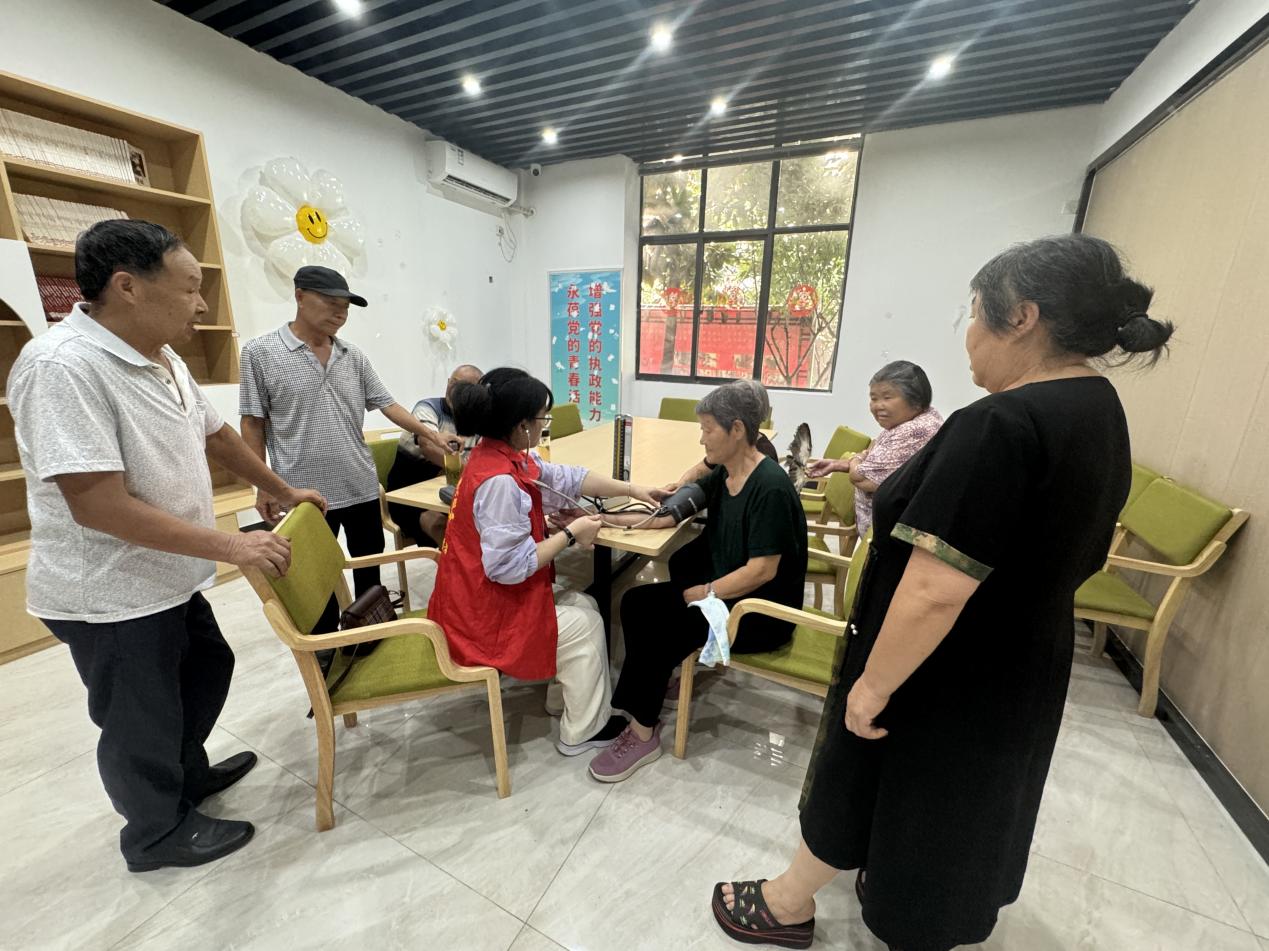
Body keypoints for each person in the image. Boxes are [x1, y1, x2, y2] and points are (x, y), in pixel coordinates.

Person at [710, 234, 1173, 950]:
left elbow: (933, 591)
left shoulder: (998, 425)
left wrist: (872, 684)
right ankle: (882, 896)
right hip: (1023, 653)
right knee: (960, 806)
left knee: (889, 782)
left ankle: (790, 902)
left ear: (1021, 316)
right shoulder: (1096, 406)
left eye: (974, 313)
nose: (968, 335)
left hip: (943, 661)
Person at [6, 220, 327, 872]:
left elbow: (217, 436)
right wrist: (231, 547)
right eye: (188, 289)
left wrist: (280, 487)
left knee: (206, 670)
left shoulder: (163, 356)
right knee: (139, 717)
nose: (201, 304)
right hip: (110, 590)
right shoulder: (62, 367)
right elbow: (98, 505)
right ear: (128, 286)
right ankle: (155, 833)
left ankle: (186, 773)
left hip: (167, 575)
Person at [427, 368, 666, 756]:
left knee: (586, 604)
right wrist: (570, 534)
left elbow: (568, 479)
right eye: (543, 417)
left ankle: (564, 703)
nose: (544, 424)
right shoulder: (500, 481)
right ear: (522, 425)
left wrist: (633, 489)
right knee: (586, 624)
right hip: (479, 618)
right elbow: (509, 568)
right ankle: (583, 732)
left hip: (471, 598)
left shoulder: (497, 455)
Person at [588, 378, 809, 783]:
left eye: (708, 429)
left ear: (737, 429)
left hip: (758, 613)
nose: (702, 439)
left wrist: (707, 591)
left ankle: (642, 733)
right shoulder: (725, 473)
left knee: (662, 629)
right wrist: (601, 519)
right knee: (635, 603)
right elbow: (666, 516)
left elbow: (763, 570)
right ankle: (651, 694)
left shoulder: (770, 487)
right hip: (729, 595)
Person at [238, 266, 450, 628]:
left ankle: (369, 634)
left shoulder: (353, 356)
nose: (340, 314)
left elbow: (388, 404)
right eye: (331, 303)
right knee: (314, 576)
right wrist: (264, 485)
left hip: (359, 484)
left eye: (346, 307)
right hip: (301, 492)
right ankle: (327, 647)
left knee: (369, 564)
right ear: (300, 297)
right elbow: (252, 423)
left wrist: (431, 435)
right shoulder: (261, 353)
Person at [806, 360, 943, 536]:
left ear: (916, 400)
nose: (877, 406)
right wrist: (841, 464)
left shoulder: (916, 430)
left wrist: (857, 460)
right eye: (873, 398)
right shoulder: (909, 421)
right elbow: (872, 452)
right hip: (876, 531)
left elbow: (862, 478)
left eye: (887, 397)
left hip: (886, 538)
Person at [386, 362, 483, 547]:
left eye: (462, 386)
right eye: (452, 382)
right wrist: (466, 470)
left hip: (449, 492)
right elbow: (428, 446)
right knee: (441, 524)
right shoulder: (428, 408)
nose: (453, 389)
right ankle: (453, 564)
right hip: (408, 496)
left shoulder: (477, 419)